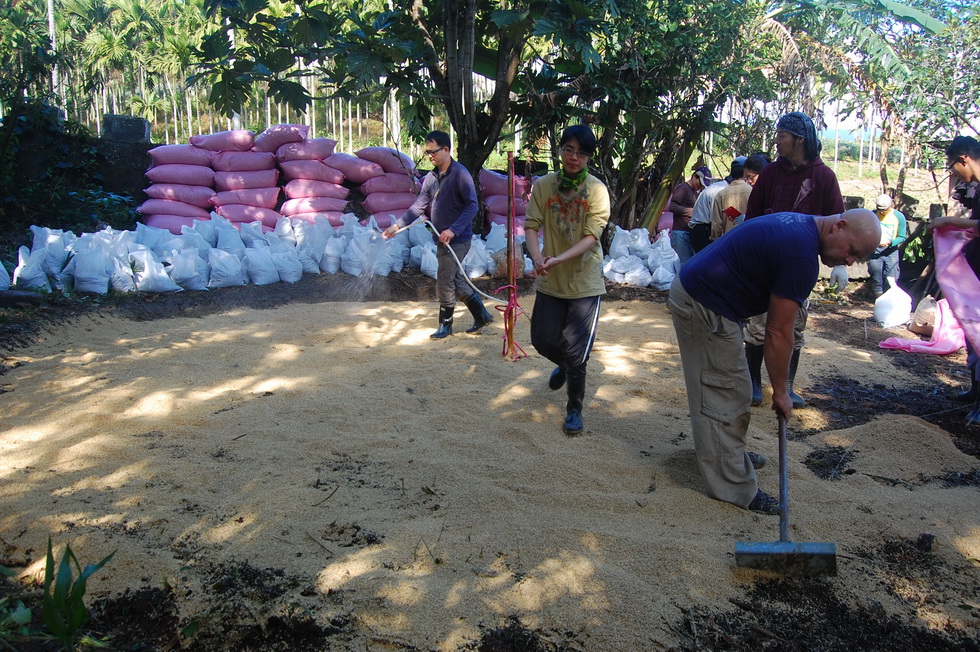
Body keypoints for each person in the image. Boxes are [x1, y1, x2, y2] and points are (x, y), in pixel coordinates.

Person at [668, 209, 881, 513]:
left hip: (709, 297)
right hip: (704, 303)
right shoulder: (801, 258)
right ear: (839, 226)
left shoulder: (802, 227)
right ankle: (732, 487)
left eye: (856, 259)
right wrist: (781, 392)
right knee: (723, 392)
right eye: (852, 251)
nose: (849, 261)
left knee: (734, 389)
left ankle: (726, 454)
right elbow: (779, 332)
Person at [743, 112, 844, 409]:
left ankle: (786, 385)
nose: (776, 141)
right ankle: (753, 384)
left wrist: (838, 263)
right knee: (760, 323)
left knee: (793, 325)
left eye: (782, 136)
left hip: (798, 265)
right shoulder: (772, 173)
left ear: (799, 140)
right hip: (764, 261)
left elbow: (837, 222)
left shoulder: (823, 177)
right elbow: (752, 216)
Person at [525, 125, 610, 436]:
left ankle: (574, 408)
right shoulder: (545, 186)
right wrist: (537, 257)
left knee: (577, 352)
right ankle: (566, 363)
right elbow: (531, 225)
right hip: (550, 278)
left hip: (584, 280)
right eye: (569, 149)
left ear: (588, 157)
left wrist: (560, 257)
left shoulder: (597, 190)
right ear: (560, 150)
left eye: (582, 152)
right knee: (541, 340)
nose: (574, 157)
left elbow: (591, 236)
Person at [383, 130, 493, 339]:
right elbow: (418, 207)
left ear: (446, 150)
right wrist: (396, 227)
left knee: (444, 279)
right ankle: (482, 316)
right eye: (427, 153)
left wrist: (453, 229)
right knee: (457, 281)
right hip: (442, 239)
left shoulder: (460, 174)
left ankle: (445, 325)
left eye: (433, 152)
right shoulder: (431, 178)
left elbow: (472, 206)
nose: (430, 156)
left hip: (458, 240)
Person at [930, 136, 980, 423]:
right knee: (973, 336)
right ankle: (975, 393)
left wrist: (952, 223)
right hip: (975, 274)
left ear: (963, 159)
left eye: (951, 167)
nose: (953, 173)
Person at [710, 154, 765, 241]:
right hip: (752, 241)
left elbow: (716, 226)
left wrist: (715, 241)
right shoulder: (754, 192)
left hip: (729, 242)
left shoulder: (721, 195)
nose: (750, 181)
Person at [867, 194, 908, 297]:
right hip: (875, 250)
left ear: (890, 206)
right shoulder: (872, 215)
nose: (882, 212)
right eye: (879, 209)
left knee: (891, 279)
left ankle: (889, 300)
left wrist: (891, 243)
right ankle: (878, 300)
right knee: (876, 279)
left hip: (891, 251)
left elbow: (902, 236)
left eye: (884, 209)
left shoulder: (898, 217)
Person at [668, 166, 711, 265]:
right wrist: (693, 212)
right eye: (700, 183)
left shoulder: (695, 192)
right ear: (694, 176)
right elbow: (672, 207)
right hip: (680, 233)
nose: (700, 186)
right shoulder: (683, 188)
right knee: (686, 265)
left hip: (688, 233)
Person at [690, 161, 736, 252]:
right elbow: (717, 216)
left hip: (706, 229)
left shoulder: (723, 189)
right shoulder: (720, 190)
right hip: (702, 230)